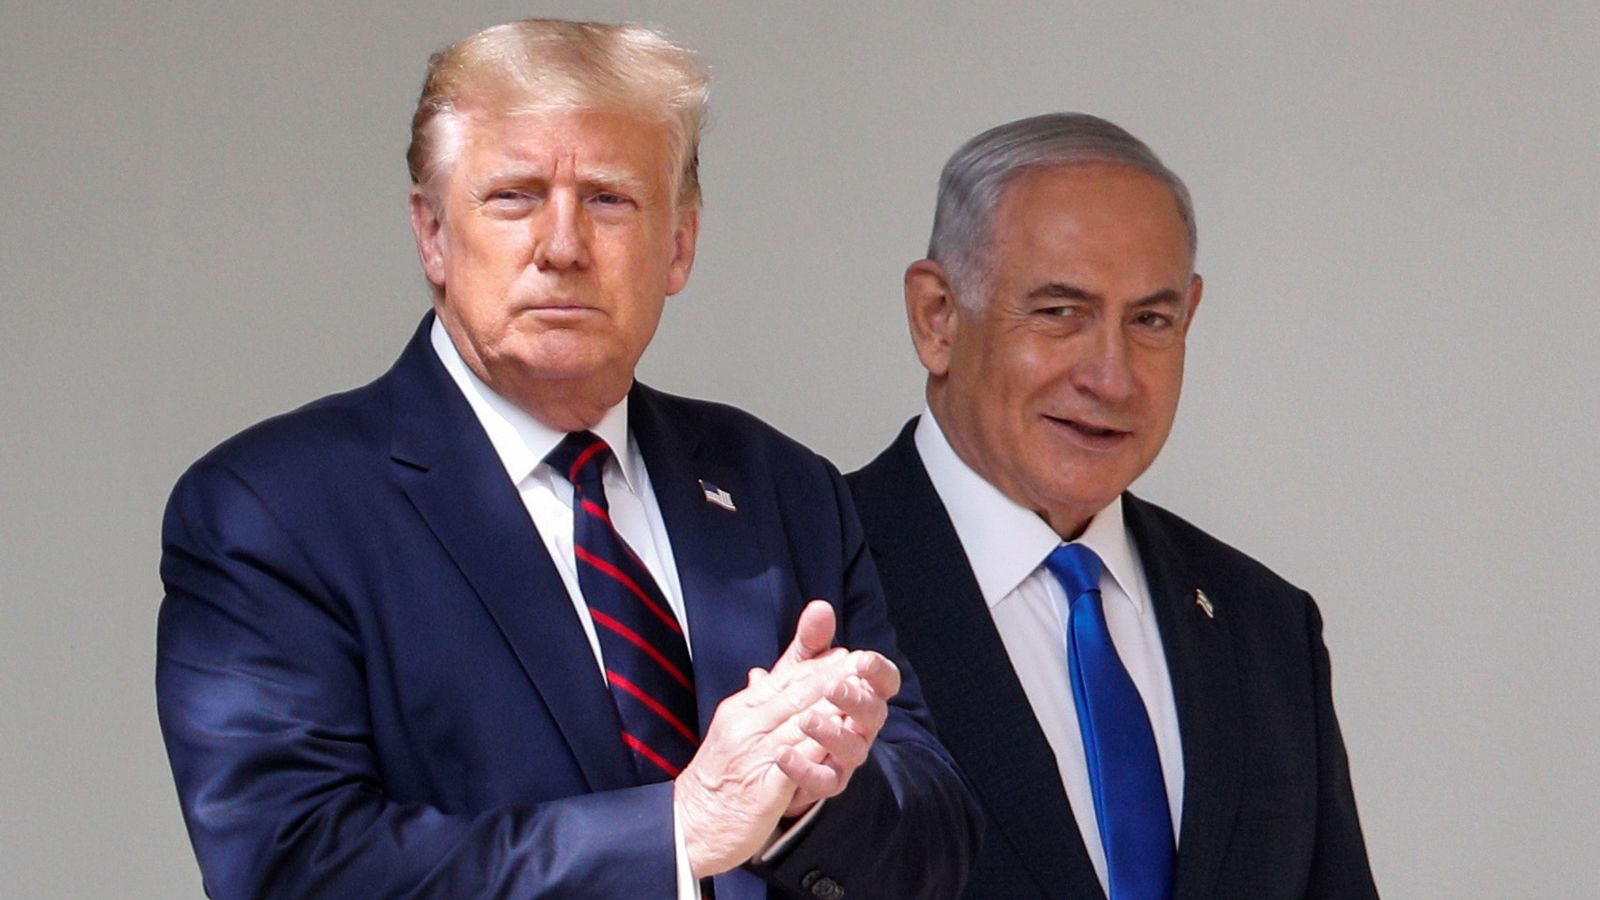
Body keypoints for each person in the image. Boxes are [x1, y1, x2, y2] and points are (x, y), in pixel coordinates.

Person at [156, 19, 977, 900]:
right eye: (513, 197)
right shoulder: (275, 511)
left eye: (609, 200)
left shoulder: (779, 486)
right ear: (433, 234)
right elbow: (291, 868)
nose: (562, 246)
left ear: (680, 244)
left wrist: (805, 801)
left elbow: (941, 843)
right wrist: (677, 830)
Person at [847, 113, 1377, 899]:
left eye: (1150, 321)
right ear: (938, 318)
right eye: (1061, 312)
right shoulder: (799, 578)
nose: (1113, 376)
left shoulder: (1265, 626)